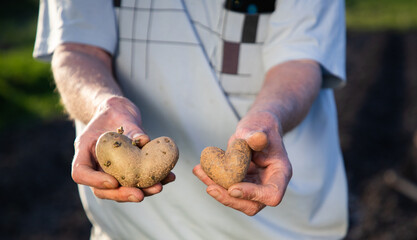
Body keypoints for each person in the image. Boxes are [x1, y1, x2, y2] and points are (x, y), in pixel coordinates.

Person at [34, 0, 348, 239]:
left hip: (277, 228)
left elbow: (300, 59)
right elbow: (77, 45)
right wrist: (103, 105)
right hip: (129, 230)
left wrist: (268, 121)